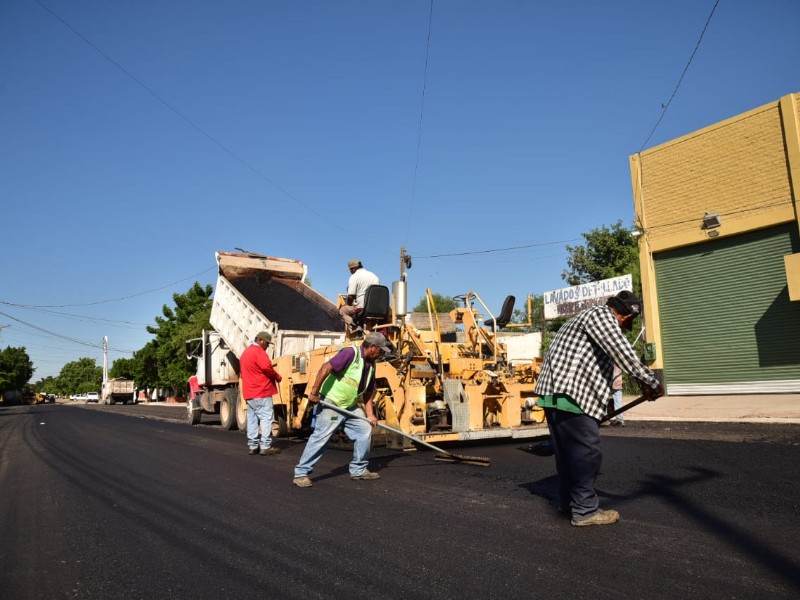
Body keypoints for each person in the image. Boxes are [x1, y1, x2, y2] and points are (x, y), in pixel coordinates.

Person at [534, 290, 663, 527]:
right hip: (572, 396)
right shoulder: (602, 316)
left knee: (567, 455)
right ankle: (584, 510)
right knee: (587, 453)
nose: (624, 327)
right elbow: (622, 350)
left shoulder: (585, 318)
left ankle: (567, 502)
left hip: (554, 397)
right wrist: (652, 382)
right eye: (627, 322)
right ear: (626, 316)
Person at [292, 331, 391, 488]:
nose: (381, 353)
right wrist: (314, 392)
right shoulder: (350, 353)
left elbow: (368, 392)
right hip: (332, 402)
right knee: (321, 437)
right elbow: (326, 368)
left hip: (349, 406)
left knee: (364, 429)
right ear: (372, 347)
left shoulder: (371, 364)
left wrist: (370, 414)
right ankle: (301, 473)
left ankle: (358, 470)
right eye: (380, 350)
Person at [240, 331, 283, 456]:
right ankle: (265, 446)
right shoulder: (259, 352)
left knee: (252, 419)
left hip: (249, 393)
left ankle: (253, 446)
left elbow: (243, 373)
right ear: (260, 340)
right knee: (266, 418)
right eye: (267, 343)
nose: (267, 346)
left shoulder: (245, 353)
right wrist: (277, 377)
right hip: (261, 391)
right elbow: (266, 368)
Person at [339, 258, 380, 332]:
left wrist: (348, 304)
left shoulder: (354, 277)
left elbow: (351, 296)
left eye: (350, 270)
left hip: (362, 309)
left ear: (353, 269)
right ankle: (361, 327)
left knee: (342, 310)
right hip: (376, 309)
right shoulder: (374, 276)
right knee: (360, 309)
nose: (351, 272)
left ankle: (354, 325)